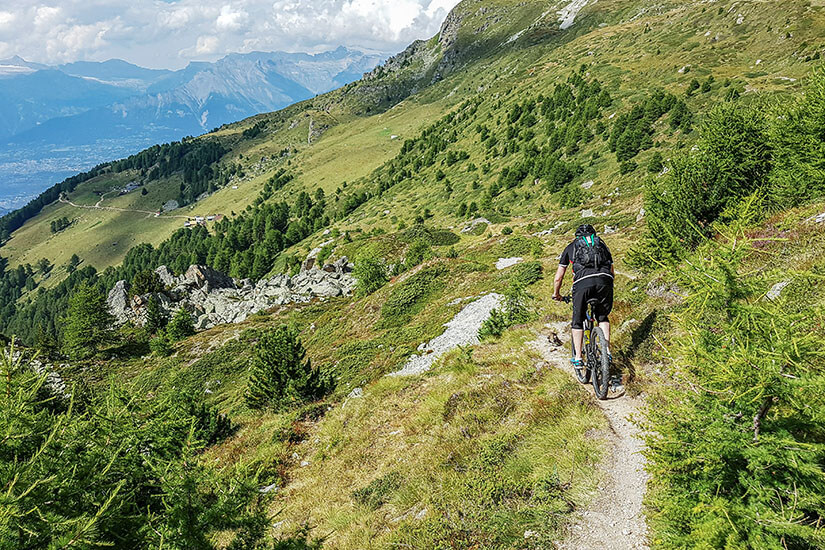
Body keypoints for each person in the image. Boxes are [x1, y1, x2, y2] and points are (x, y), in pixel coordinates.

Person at [552, 224, 614, 369]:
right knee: (603, 317)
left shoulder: (570, 247)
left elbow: (558, 278)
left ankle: (578, 358)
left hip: (582, 283)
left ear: (577, 236)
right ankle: (607, 352)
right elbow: (612, 271)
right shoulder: (602, 245)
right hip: (605, 281)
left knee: (578, 320)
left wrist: (556, 294)